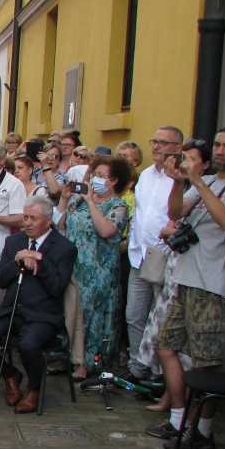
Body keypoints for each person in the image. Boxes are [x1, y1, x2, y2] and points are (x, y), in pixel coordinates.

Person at [146, 124, 225, 449]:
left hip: (214, 284)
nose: (221, 151)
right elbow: (175, 212)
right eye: (218, 145)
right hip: (186, 279)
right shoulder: (207, 182)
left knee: (206, 361)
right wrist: (178, 183)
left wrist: (196, 181)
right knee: (165, 345)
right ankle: (179, 418)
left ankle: (204, 431)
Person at [0, 195, 78, 414]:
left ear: (47, 220)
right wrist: (18, 261)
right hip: (12, 309)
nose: (27, 222)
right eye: (25, 217)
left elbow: (57, 288)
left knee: (29, 346)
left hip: (42, 314)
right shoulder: (14, 242)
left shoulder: (65, 248)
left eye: (33, 218)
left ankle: (34, 389)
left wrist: (40, 260)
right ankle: (9, 375)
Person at [135, 138, 211, 413]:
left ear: (205, 165)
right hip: (173, 271)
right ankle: (171, 401)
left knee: (185, 349)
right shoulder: (185, 190)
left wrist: (174, 231)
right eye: (183, 158)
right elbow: (170, 222)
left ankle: (183, 408)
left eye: (191, 159)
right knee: (164, 341)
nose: (185, 163)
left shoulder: (208, 190)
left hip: (197, 277)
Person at [56, 155, 132, 378]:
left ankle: (87, 363)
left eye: (101, 176)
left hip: (98, 271)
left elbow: (107, 231)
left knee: (91, 316)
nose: (95, 180)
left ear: (114, 181)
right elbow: (60, 223)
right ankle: (65, 357)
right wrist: (64, 199)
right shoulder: (78, 201)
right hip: (74, 267)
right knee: (70, 312)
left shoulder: (118, 205)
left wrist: (91, 201)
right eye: (94, 175)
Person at [124, 127, 184, 383]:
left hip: (166, 257)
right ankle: (138, 364)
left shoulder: (181, 178)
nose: (157, 146)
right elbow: (139, 214)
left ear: (178, 148)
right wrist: (134, 244)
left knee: (160, 318)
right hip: (140, 255)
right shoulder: (146, 175)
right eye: (155, 141)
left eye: (163, 142)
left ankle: (159, 371)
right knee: (134, 314)